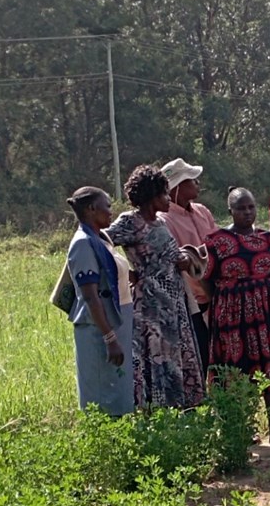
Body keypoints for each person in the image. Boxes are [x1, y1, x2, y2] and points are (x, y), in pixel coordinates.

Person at [202, 187, 270, 449]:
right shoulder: (216, 242)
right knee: (236, 371)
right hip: (232, 318)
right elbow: (207, 281)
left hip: (269, 314)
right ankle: (239, 431)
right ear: (230, 211)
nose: (247, 212)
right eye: (240, 208)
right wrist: (223, 304)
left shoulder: (268, 239)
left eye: (250, 207)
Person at [105, 164, 205, 408]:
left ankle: (183, 410)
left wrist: (183, 258)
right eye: (163, 194)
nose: (168, 199)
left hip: (175, 302)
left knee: (179, 357)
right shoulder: (131, 222)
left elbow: (167, 254)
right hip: (151, 306)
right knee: (157, 358)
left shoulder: (160, 222)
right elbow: (101, 243)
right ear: (150, 196)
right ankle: (160, 414)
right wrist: (126, 271)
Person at [65, 186, 134, 416]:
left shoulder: (100, 238)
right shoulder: (83, 243)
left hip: (115, 320)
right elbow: (90, 296)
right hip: (99, 328)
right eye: (107, 205)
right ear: (92, 209)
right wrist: (109, 337)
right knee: (101, 391)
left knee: (117, 386)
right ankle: (102, 445)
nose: (111, 211)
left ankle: (120, 440)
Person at [158, 157, 216, 376]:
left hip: (215, 294)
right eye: (192, 180)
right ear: (178, 187)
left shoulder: (203, 211)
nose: (197, 183)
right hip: (192, 299)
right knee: (198, 356)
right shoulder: (164, 220)